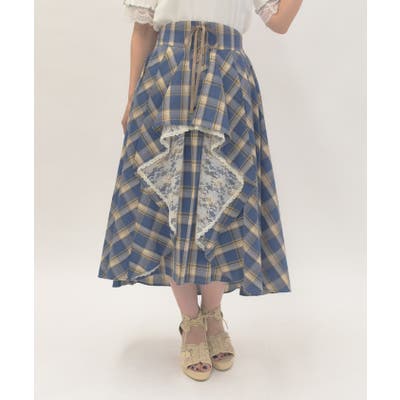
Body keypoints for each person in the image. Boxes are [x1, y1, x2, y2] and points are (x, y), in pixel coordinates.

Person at [98, 0, 302, 381]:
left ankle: (213, 314)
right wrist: (131, 97)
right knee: (174, 202)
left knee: (225, 203)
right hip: (168, 76)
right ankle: (190, 321)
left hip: (228, 80)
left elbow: (279, 22)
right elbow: (143, 31)